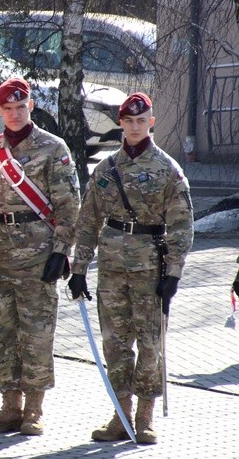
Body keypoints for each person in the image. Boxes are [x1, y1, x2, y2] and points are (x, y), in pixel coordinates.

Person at [68, 92, 194, 445]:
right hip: (111, 269)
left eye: (142, 121)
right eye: (129, 121)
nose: (135, 127)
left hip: (150, 268)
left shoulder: (167, 168)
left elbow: (182, 225)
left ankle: (145, 416)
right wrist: (79, 268)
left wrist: (174, 273)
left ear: (151, 122)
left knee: (151, 344)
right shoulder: (107, 168)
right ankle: (120, 415)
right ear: (120, 124)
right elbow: (88, 219)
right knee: (115, 344)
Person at [0, 77, 80, 436]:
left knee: (36, 333)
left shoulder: (53, 148)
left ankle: (34, 409)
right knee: (0, 332)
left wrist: (62, 251)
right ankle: (9, 406)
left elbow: (69, 204)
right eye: (8, 109)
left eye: (21, 107)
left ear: (31, 106)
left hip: (38, 253)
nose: (15, 114)